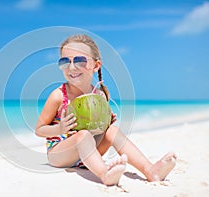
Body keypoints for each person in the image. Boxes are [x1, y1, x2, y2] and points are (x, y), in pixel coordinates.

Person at [35, 34, 177, 186]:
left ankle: (150, 170)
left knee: (113, 131)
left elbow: (97, 129)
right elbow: (39, 129)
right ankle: (105, 173)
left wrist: (106, 123)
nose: (71, 66)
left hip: (89, 155)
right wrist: (60, 128)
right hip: (60, 154)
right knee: (82, 136)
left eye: (79, 60)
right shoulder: (58, 96)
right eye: (65, 61)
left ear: (96, 66)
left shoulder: (100, 94)